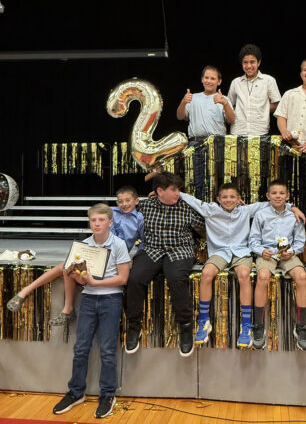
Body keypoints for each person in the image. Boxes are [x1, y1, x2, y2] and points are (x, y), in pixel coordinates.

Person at [179, 183, 305, 349]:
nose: (228, 200)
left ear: (239, 199)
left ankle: (246, 325)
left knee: (244, 274)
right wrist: (172, 193)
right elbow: (192, 200)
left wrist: (292, 207)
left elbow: (272, 203)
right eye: (224, 197)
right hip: (220, 252)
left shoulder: (246, 210)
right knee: (206, 273)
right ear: (218, 199)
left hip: (241, 252)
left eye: (232, 197)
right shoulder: (210, 209)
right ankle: (203, 320)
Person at [7, 186, 143, 326]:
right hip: (97, 251)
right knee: (67, 265)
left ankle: (66, 307)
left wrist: (134, 258)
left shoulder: (139, 219)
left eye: (128, 200)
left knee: (66, 266)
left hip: (116, 256)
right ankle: (29, 292)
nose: (124, 204)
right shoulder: (111, 212)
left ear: (136, 201)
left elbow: (143, 242)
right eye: (120, 201)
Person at [52, 203, 130, 418]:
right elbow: (80, 277)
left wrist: (96, 283)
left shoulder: (119, 244)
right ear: (89, 223)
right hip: (88, 299)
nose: (97, 223)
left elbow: (123, 278)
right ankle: (76, 392)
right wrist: (78, 277)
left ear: (110, 222)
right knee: (81, 348)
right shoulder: (83, 245)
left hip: (111, 299)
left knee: (107, 350)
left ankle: (108, 395)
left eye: (101, 220)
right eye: (93, 220)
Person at [124, 172, 205, 357]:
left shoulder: (186, 207)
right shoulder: (145, 206)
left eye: (179, 189)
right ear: (160, 191)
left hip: (179, 250)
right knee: (135, 277)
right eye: (174, 189)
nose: (178, 193)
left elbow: (208, 223)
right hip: (152, 249)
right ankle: (133, 326)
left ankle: (185, 326)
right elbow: (122, 210)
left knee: (176, 278)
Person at [249, 179, 306, 350]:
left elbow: (300, 241)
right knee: (262, 276)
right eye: (274, 193)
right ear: (268, 196)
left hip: (287, 254)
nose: (278, 196)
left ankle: (302, 326)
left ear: (287, 196)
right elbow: (253, 240)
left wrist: (292, 252)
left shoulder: (294, 215)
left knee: (302, 277)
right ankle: (259, 325)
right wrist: (262, 251)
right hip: (268, 253)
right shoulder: (261, 214)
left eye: (282, 193)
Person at [227, 44, 281, 136]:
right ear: (242, 63)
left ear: (258, 62)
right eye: (245, 62)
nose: (249, 66)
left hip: (260, 131)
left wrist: (262, 108)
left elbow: (277, 104)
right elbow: (229, 105)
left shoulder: (269, 80)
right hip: (238, 131)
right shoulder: (236, 82)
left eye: (252, 62)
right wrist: (239, 108)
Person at [176, 65, 235, 142]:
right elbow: (180, 117)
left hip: (217, 142)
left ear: (219, 81)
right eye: (206, 78)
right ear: (202, 79)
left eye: (213, 79)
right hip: (195, 142)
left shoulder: (223, 99)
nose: (209, 81)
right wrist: (183, 102)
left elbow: (232, 120)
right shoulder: (192, 97)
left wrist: (225, 104)